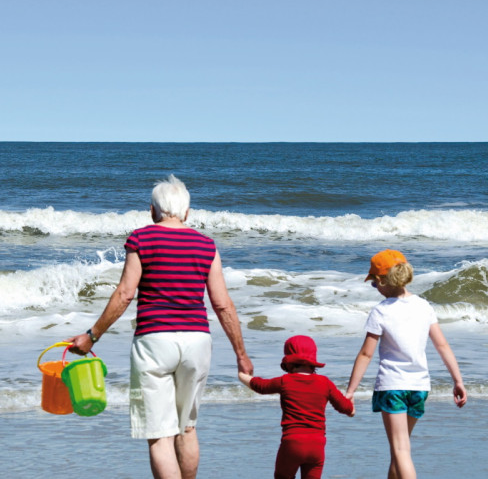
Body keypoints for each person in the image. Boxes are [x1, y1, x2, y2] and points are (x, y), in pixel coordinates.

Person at [66, 175, 253, 479]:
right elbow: (222, 304)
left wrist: (92, 336)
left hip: (154, 342)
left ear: (153, 210)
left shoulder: (141, 238)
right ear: (187, 212)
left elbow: (125, 293)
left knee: (159, 434)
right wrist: (241, 354)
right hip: (197, 342)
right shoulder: (206, 244)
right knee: (188, 428)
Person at [345, 249, 467, 479]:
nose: (375, 289)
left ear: (381, 281)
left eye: (374, 285)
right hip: (419, 387)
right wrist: (458, 380)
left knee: (400, 450)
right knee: (400, 450)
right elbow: (443, 346)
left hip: (393, 386)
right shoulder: (424, 306)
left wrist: (350, 391)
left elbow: (365, 355)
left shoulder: (381, 311)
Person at [238, 335, 354, 479]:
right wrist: (351, 408)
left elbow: (260, 386)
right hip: (317, 445)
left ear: (289, 359)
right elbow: (346, 407)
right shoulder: (325, 382)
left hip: (292, 443)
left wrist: (242, 375)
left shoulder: (285, 381)